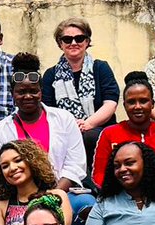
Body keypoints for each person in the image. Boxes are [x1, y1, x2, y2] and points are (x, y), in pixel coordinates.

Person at [0, 54, 87, 191]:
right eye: (21, 92)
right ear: (12, 94)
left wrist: (53, 194)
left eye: (33, 91)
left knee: (86, 203)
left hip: (61, 191)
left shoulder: (64, 119)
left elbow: (75, 165)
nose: (28, 96)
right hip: (20, 195)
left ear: (41, 92)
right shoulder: (1, 129)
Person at [92, 72, 155, 191]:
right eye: (131, 102)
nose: (137, 107)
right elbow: (99, 176)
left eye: (143, 101)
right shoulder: (109, 134)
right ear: (124, 105)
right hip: (119, 199)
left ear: (152, 104)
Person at [41, 18, 119, 161]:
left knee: (90, 136)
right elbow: (48, 111)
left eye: (79, 38)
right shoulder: (50, 75)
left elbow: (110, 103)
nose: (73, 43)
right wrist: (70, 126)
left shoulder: (100, 68)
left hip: (99, 130)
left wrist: (88, 124)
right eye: (67, 39)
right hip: (63, 131)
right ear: (60, 44)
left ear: (87, 41)